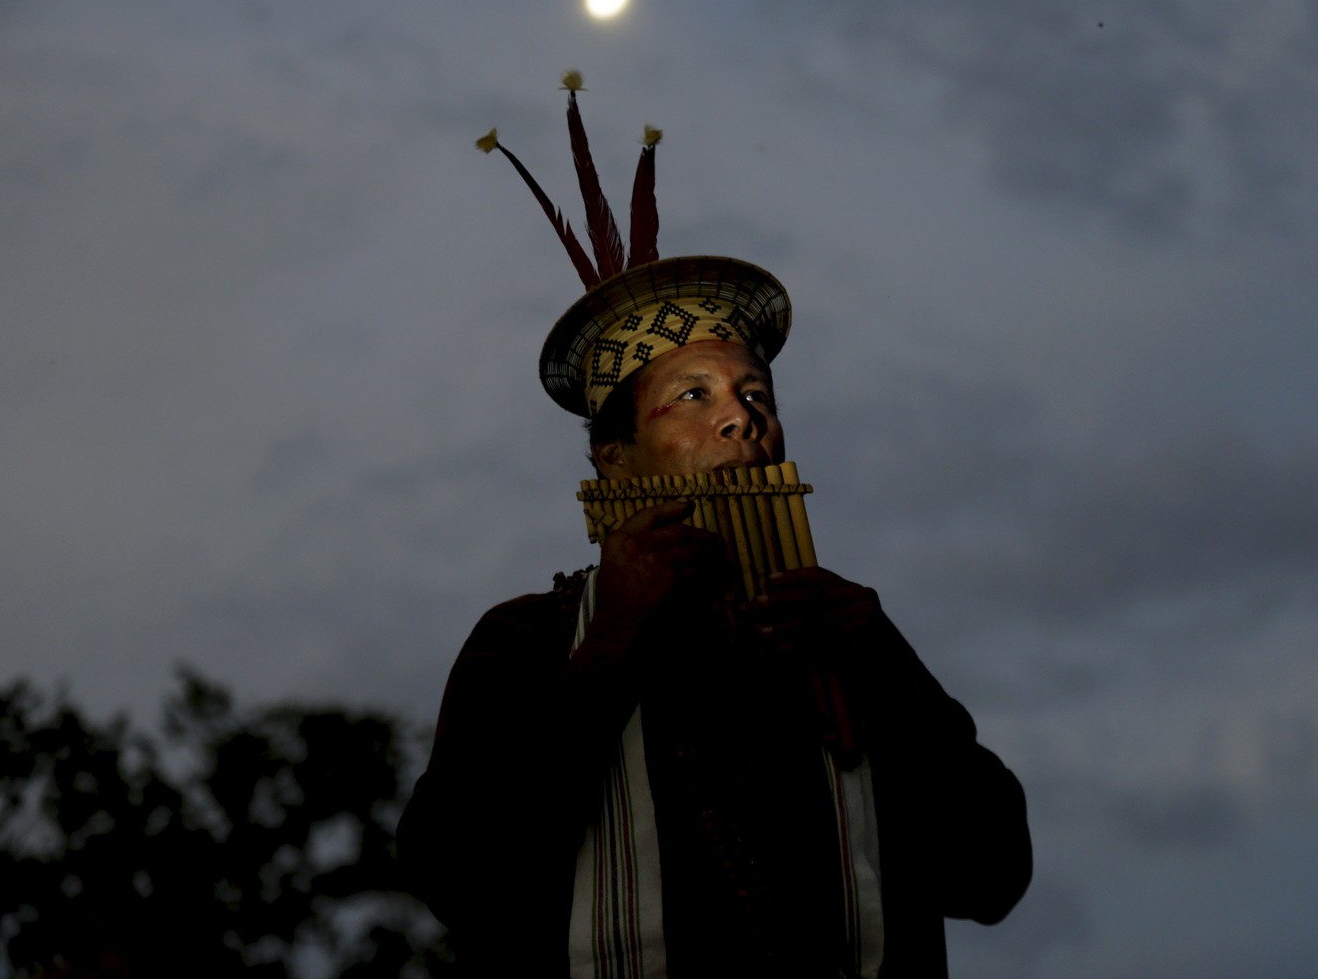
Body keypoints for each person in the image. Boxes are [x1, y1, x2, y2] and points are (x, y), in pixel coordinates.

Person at [398, 76, 1030, 978]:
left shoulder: (843, 645)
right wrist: (615, 636)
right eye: (692, 397)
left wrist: (888, 665)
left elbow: (993, 873)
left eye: (756, 396)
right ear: (615, 460)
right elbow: (455, 869)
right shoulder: (529, 641)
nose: (743, 419)